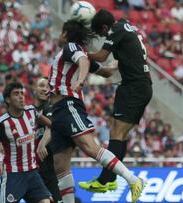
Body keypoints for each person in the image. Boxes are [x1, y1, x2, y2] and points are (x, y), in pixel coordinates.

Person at [40, 19, 145, 203]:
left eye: (61, 32)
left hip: (68, 105)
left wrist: (80, 80)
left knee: (90, 147)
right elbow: (106, 71)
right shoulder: (81, 53)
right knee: (60, 165)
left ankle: (133, 180)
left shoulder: (71, 47)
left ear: (65, 33)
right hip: (58, 111)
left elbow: (81, 61)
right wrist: (124, 58)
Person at [78, 9, 152, 196]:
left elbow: (102, 56)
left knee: (116, 133)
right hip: (141, 86)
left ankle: (105, 180)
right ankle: (109, 179)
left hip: (134, 87)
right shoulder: (126, 26)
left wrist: (80, 53)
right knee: (121, 134)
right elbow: (116, 62)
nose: (103, 37)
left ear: (105, 27)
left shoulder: (116, 30)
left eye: (102, 33)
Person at [0, 82, 52, 203]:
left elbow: (50, 124)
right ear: (8, 99)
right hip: (13, 175)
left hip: (32, 173)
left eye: (22, 93)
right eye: (16, 94)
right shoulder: (2, 123)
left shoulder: (31, 111)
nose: (21, 96)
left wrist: (45, 140)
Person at [33, 77, 62, 202]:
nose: (45, 89)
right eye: (41, 85)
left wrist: (42, 144)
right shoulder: (30, 112)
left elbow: (51, 126)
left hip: (51, 164)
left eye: (48, 87)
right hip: (36, 167)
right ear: (34, 88)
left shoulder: (49, 107)